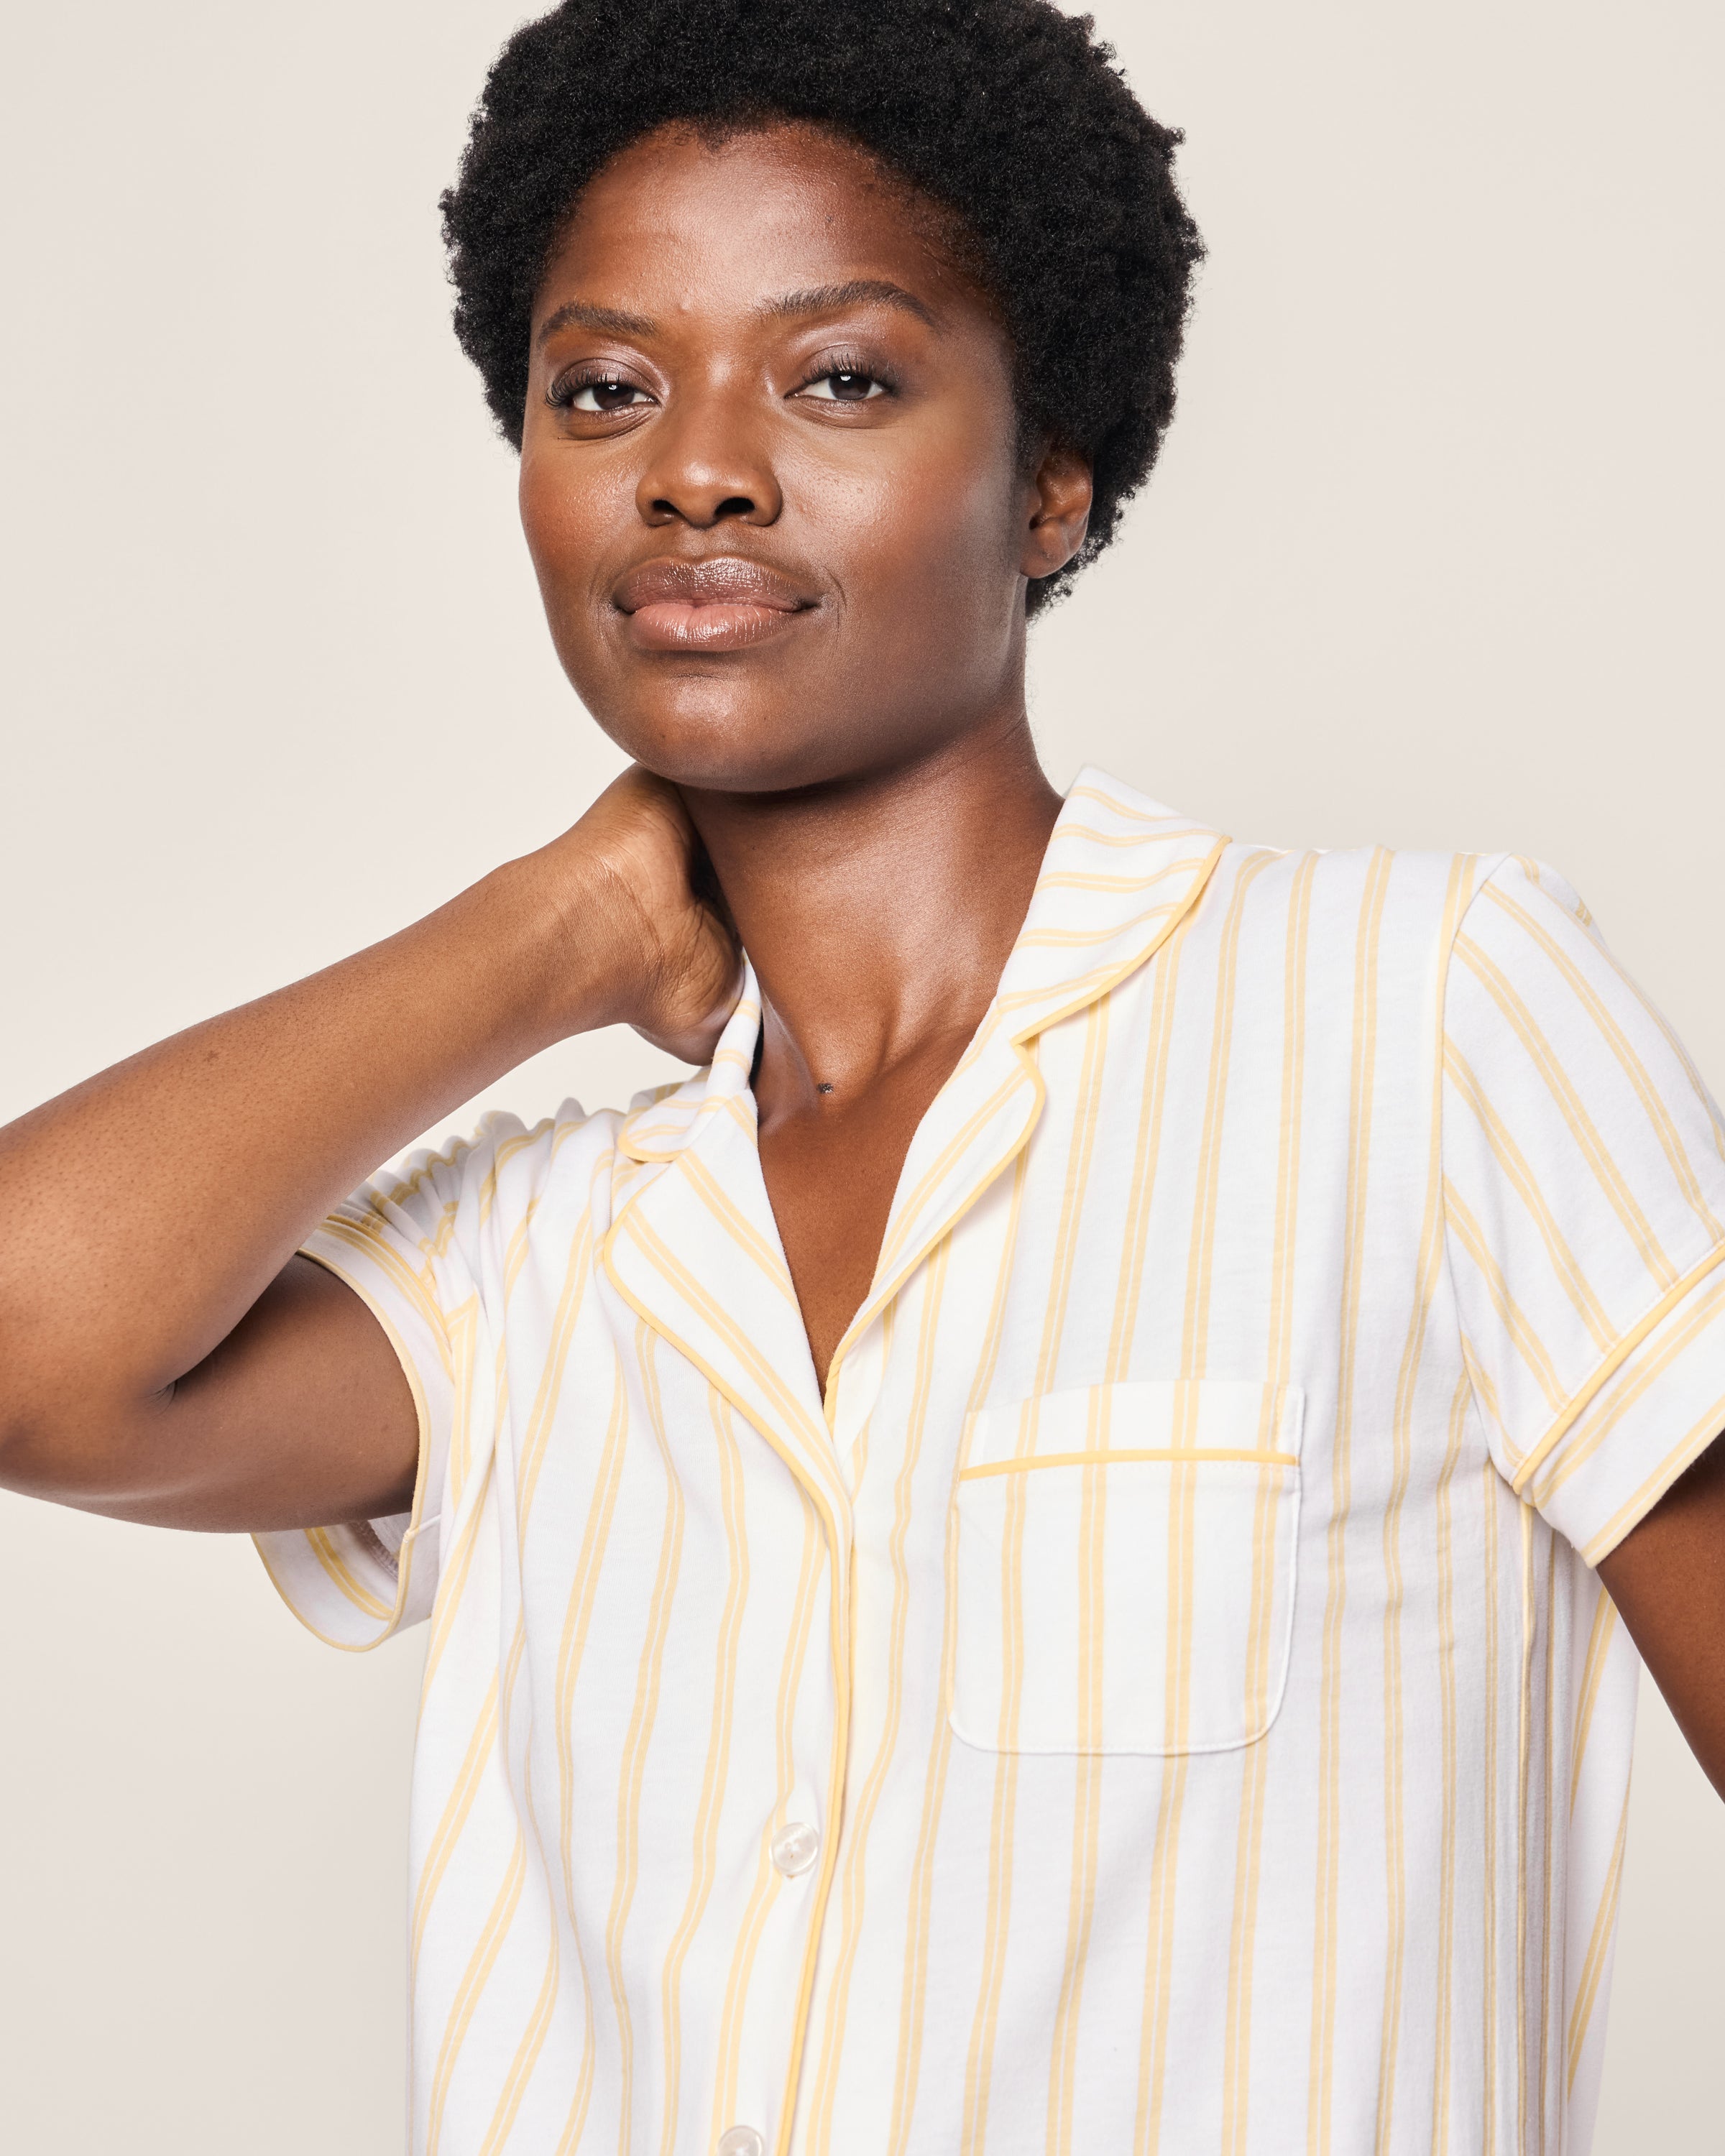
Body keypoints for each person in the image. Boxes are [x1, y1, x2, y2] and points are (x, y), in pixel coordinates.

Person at [2, 0, 1722, 2150]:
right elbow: (30, 1347)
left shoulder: (1417, 1015)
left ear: (1052, 488)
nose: (697, 464)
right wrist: (556, 936)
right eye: (603, 389)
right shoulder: (551, 1254)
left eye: (841, 377)